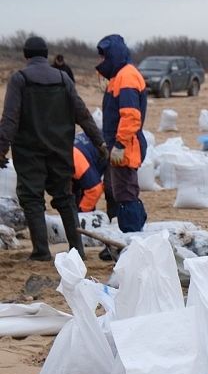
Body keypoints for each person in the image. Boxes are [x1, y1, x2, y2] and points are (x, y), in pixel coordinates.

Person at [0, 36, 106, 260]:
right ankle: (77, 249)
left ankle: (41, 251)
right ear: (46, 54)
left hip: (29, 153)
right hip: (60, 151)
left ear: (26, 56)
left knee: (32, 199)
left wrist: (1, 149)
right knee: (65, 198)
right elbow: (83, 114)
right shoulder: (63, 78)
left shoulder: (20, 80)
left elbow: (10, 119)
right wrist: (100, 142)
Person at [95, 34, 148, 234]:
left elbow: (131, 116)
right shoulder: (119, 77)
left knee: (126, 196)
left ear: (113, 55)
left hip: (126, 147)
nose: (101, 62)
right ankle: (133, 231)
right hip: (122, 146)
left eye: (103, 57)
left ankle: (133, 237)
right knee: (123, 193)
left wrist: (119, 145)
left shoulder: (126, 77)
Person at [72, 133, 107, 213]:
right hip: (89, 152)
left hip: (114, 150)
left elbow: (95, 189)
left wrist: (82, 212)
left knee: (112, 190)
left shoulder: (76, 162)